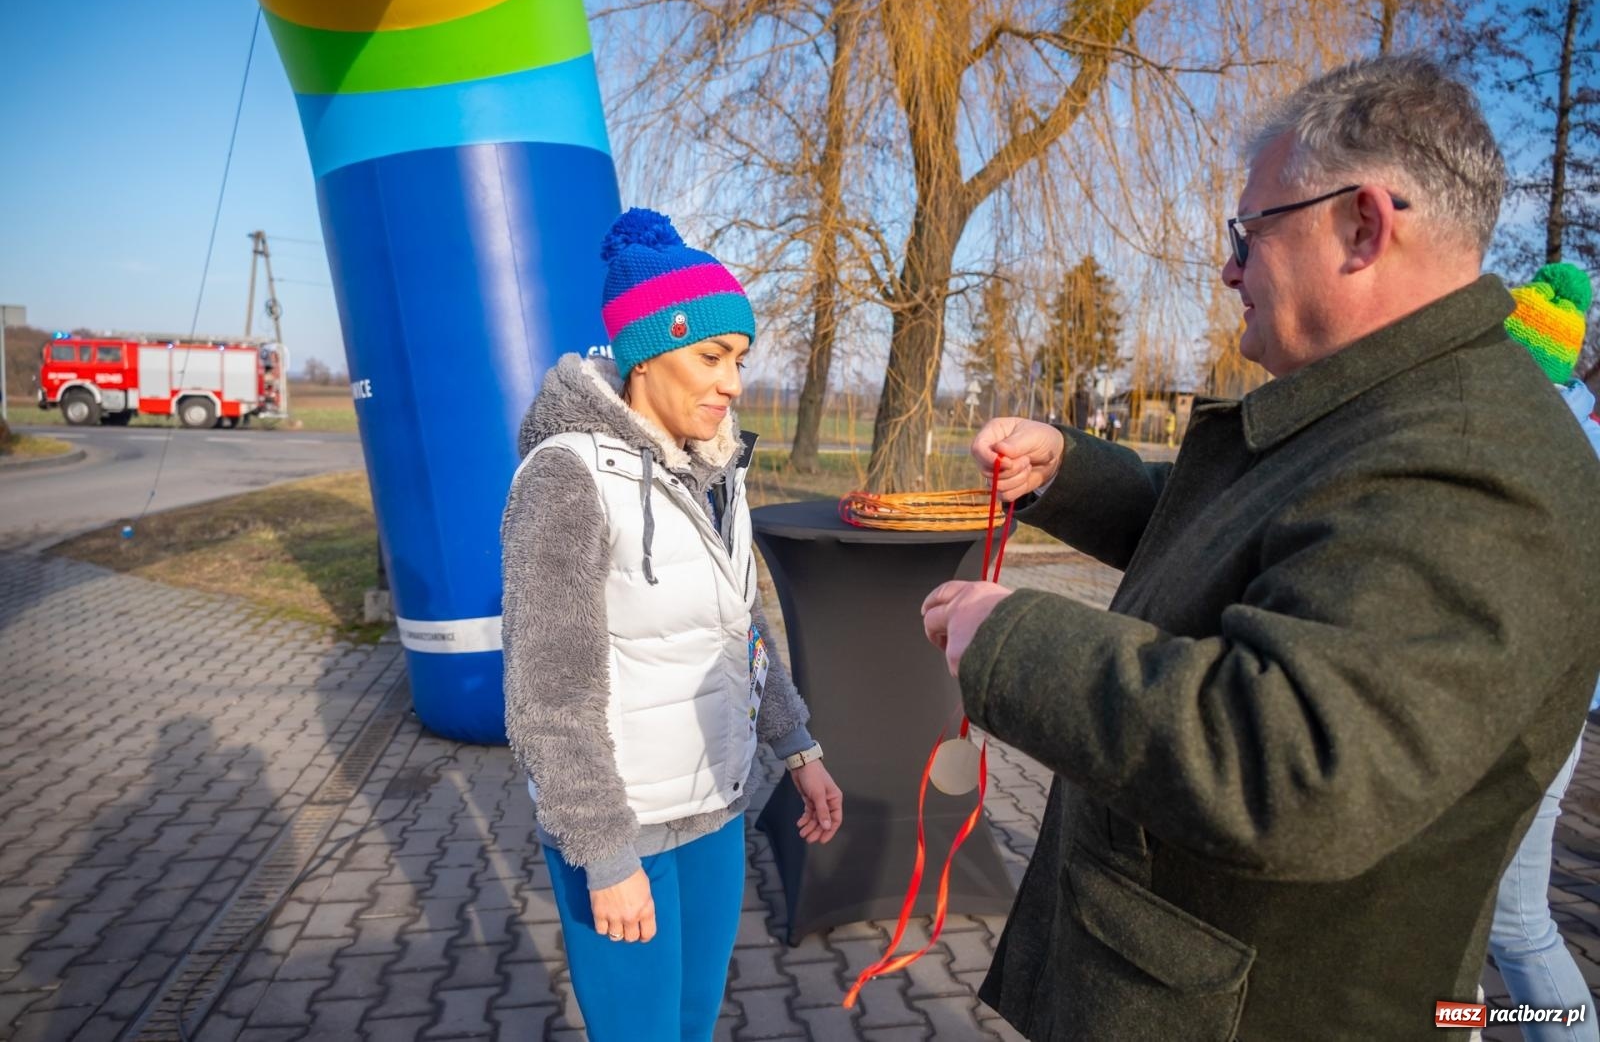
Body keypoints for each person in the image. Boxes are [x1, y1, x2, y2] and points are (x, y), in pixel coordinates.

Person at [920, 55, 1600, 1040]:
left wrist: (1011, 640)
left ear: (1362, 226)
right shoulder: (1392, 405)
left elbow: (1294, 763)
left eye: (1250, 233)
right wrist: (1066, 471)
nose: (1229, 269)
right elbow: (1256, 534)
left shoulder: (1465, 459)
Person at [501, 208, 843, 1040]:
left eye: (740, 360)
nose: (733, 384)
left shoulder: (717, 472)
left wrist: (797, 748)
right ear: (647, 354)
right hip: (623, 829)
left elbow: (741, 626)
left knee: (693, 1021)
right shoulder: (567, 477)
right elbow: (548, 695)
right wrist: (605, 855)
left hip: (716, 807)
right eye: (712, 356)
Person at [1488, 262, 1600, 1042]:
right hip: (1541, 703)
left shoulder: (1539, 445)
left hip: (1530, 708)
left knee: (1515, 921)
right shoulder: (1572, 437)